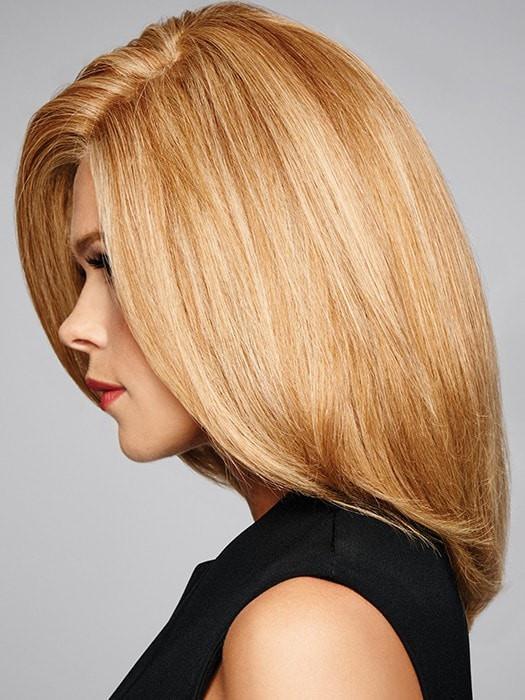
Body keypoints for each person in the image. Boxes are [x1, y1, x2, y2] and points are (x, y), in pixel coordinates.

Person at [15, 2, 509, 698]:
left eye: (115, 265)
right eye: (87, 270)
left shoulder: (308, 630)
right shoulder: (324, 582)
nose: (74, 326)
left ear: (262, 275)